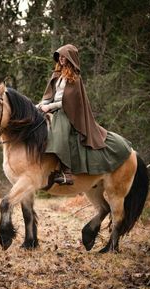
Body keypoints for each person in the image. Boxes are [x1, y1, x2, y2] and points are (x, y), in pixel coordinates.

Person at [38, 44, 131, 186]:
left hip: (66, 112)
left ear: (70, 58)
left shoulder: (75, 79)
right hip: (52, 109)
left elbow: (66, 103)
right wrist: (37, 106)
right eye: (60, 56)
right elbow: (49, 95)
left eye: (64, 56)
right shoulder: (56, 75)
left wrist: (48, 107)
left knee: (60, 133)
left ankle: (66, 173)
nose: (61, 59)